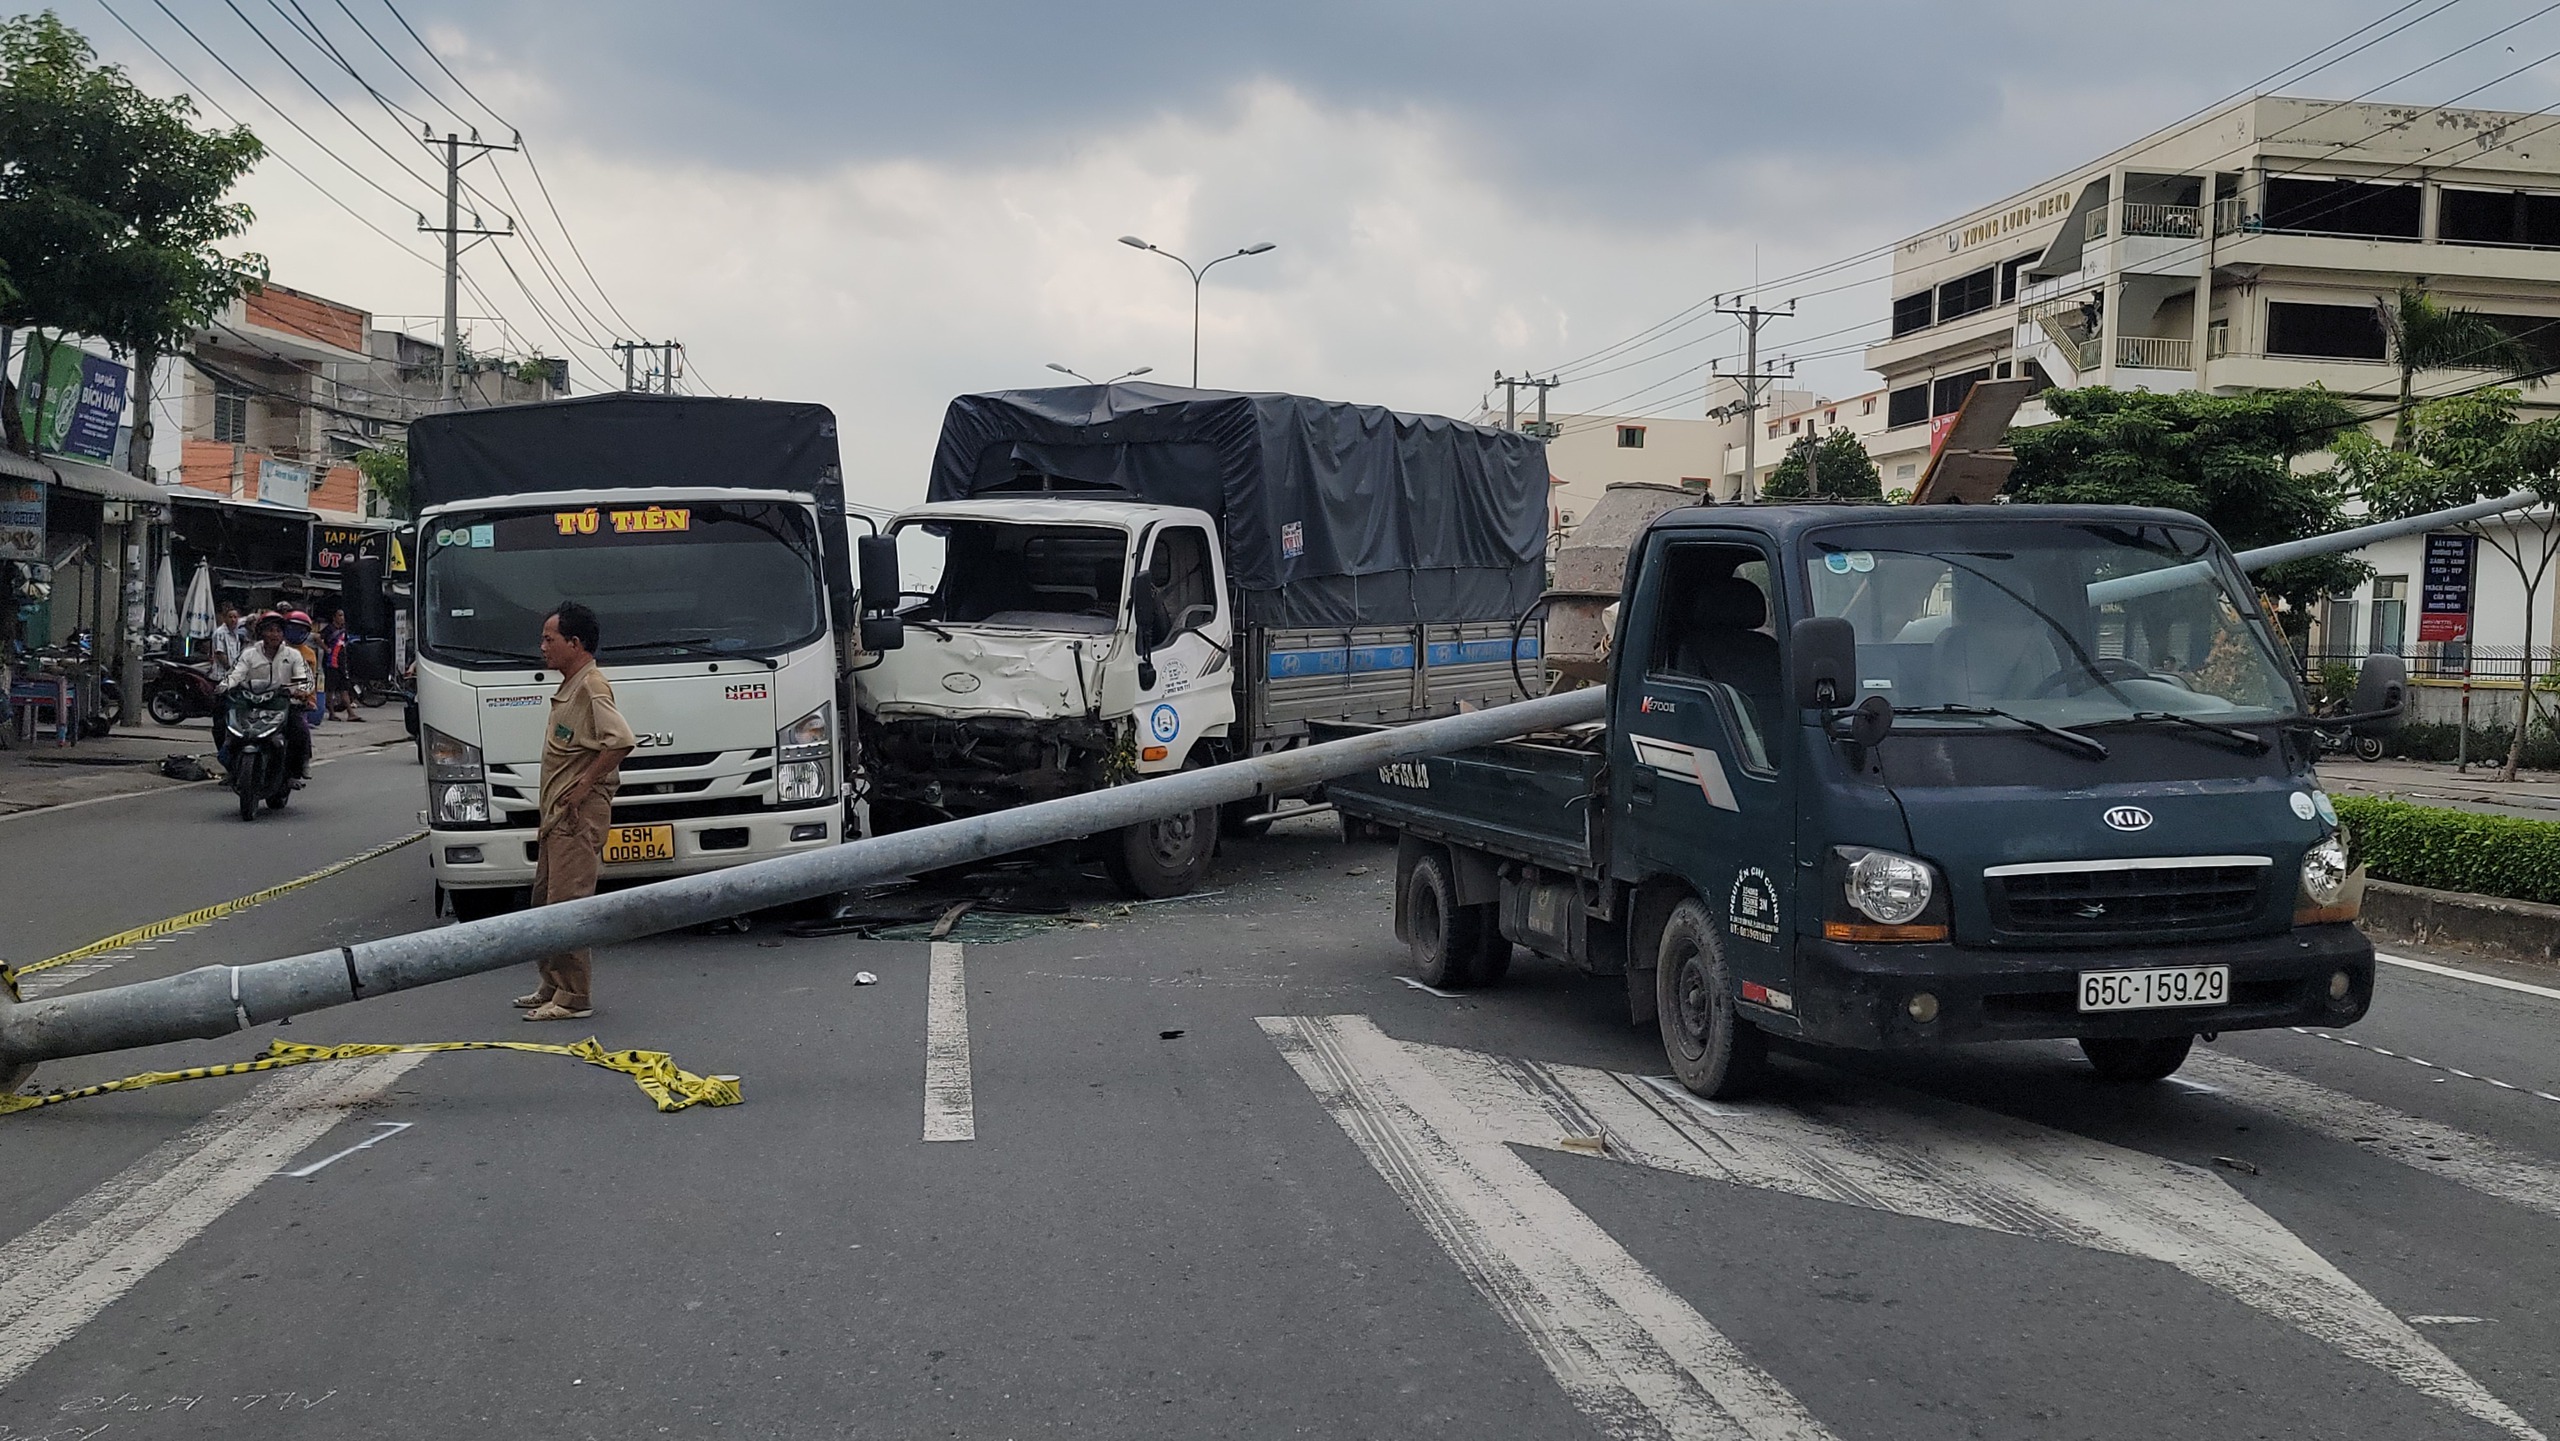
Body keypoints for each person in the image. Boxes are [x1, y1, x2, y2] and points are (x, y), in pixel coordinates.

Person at [516, 600, 636, 1022]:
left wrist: (583, 787)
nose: (543, 646)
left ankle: (574, 997)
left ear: (575, 643)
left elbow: (620, 741)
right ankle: (552, 983)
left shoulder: (592, 687)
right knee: (544, 903)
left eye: (550, 639)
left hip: (576, 816)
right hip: (556, 817)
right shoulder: (570, 686)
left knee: (567, 905)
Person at [217, 613, 313, 783]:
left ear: (283, 634)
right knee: (223, 725)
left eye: (278, 631)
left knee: (300, 729)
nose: (274, 634)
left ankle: (298, 767)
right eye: (270, 630)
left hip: (282, 703)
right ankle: (231, 766)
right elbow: (236, 673)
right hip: (249, 702)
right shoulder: (249, 653)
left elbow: (302, 677)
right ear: (262, 632)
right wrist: (224, 686)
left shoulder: (293, 655)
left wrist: (301, 690)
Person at [322, 607, 363, 722]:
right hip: (332, 664)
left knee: (344, 689)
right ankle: (331, 713)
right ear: (334, 617)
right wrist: (326, 649)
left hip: (341, 664)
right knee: (330, 690)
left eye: (343, 616)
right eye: (340, 615)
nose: (342, 618)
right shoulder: (329, 629)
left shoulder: (344, 631)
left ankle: (351, 713)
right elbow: (317, 638)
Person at [210, 603, 244, 670]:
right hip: (221, 673)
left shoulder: (236, 634)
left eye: (235, 617)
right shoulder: (219, 633)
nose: (233, 620)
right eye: (230, 617)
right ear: (225, 618)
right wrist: (230, 670)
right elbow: (220, 654)